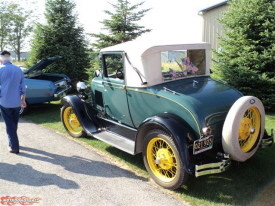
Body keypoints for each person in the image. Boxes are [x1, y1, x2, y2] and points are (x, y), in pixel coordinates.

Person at [0, 50, 26, 154]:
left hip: (4, 101)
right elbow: (23, 87)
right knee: (14, 123)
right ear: (10, 58)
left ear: (1, 58)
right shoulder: (18, 69)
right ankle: (12, 141)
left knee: (9, 124)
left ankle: (14, 146)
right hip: (17, 101)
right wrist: (23, 100)